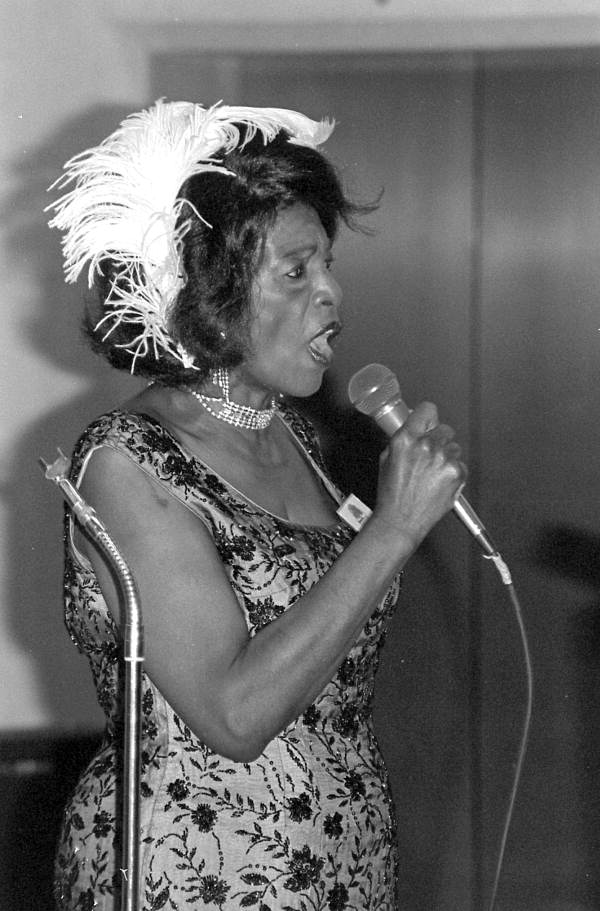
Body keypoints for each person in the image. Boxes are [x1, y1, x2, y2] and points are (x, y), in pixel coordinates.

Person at [47, 99, 466, 911]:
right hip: (198, 877)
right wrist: (397, 527)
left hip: (341, 868)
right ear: (214, 291)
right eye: (298, 270)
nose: (333, 293)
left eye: (329, 264)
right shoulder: (125, 461)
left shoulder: (299, 440)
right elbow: (234, 713)